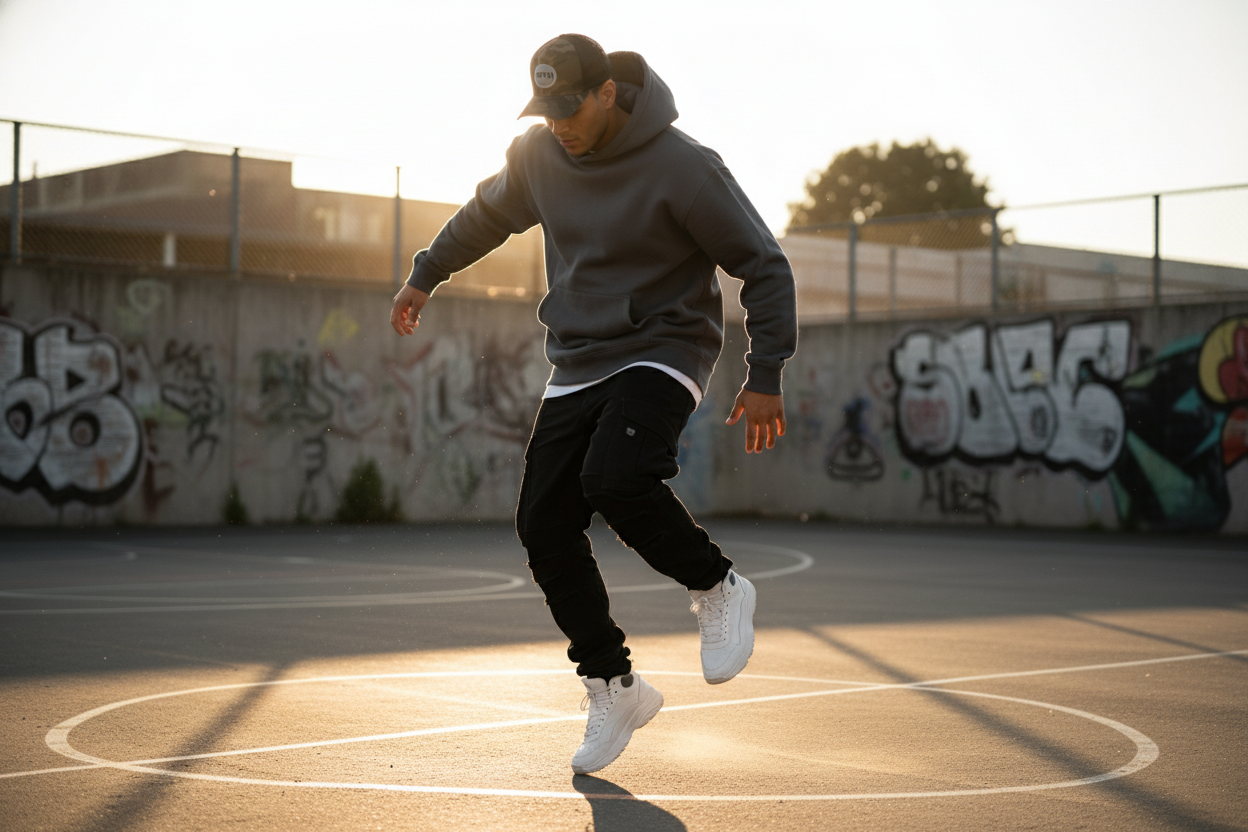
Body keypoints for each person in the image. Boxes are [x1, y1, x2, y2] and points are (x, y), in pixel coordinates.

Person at [390, 34, 797, 775]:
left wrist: (765, 370)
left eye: (571, 108)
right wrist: (428, 273)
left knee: (616, 477)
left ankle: (718, 587)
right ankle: (615, 685)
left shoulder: (684, 167)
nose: (560, 126)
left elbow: (763, 265)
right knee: (542, 522)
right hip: (579, 359)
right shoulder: (540, 156)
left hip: (664, 347)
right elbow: (487, 213)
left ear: (608, 93)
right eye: (547, 112)